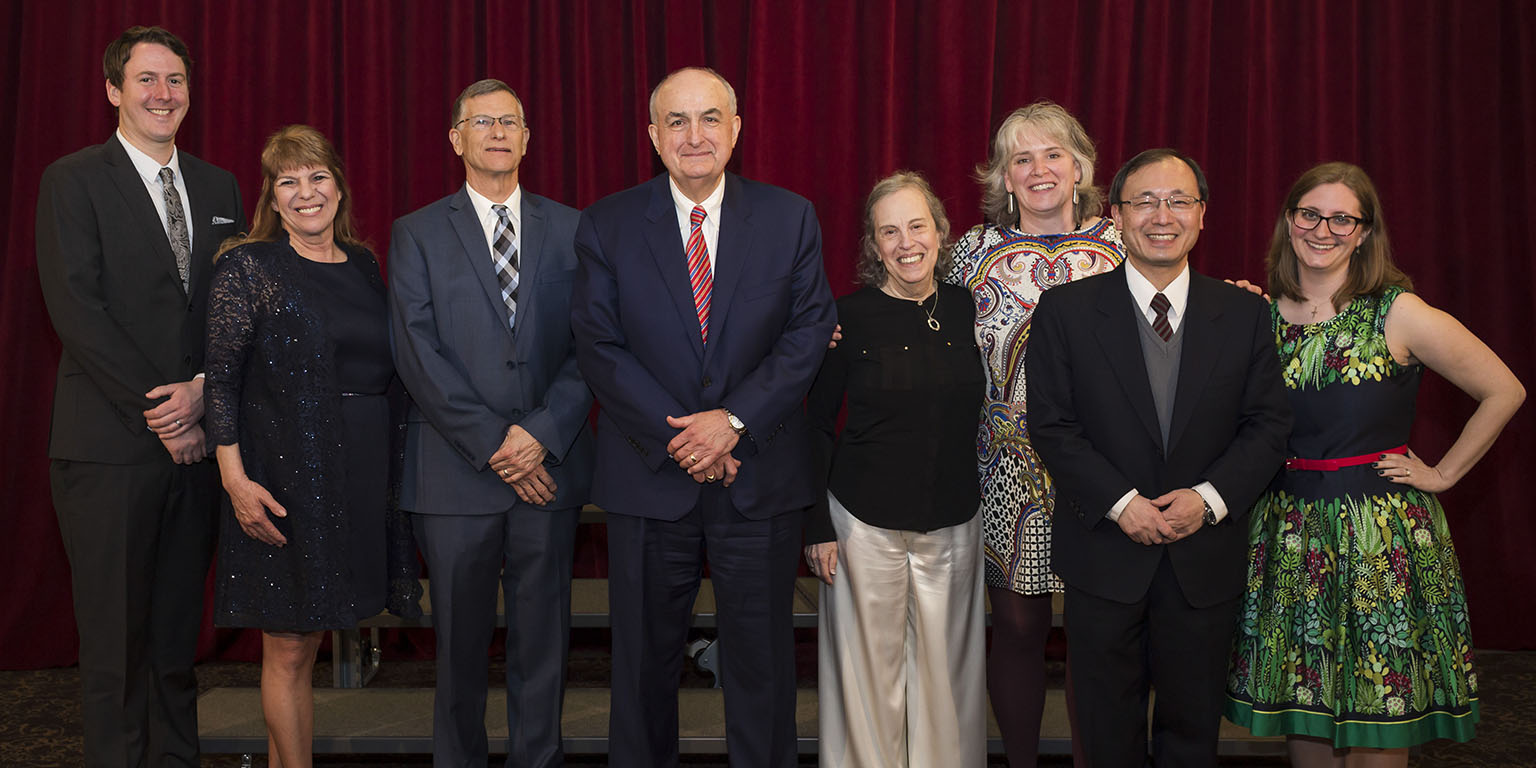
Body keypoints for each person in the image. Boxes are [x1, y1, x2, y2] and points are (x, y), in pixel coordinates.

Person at [571, 66, 837, 768]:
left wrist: (734, 421)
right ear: (654, 136)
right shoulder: (607, 223)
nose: (696, 135)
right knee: (640, 667)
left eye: (710, 118)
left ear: (737, 129)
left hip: (759, 476)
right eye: (678, 121)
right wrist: (684, 437)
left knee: (762, 668)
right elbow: (599, 345)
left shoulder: (789, 216)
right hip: (649, 478)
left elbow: (809, 330)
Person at [1224, 162, 1524, 766]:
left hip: (1378, 541)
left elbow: (1504, 389)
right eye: (1310, 214)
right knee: (1301, 709)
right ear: (1289, 221)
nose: (1323, 229)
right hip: (1288, 535)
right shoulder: (1254, 314)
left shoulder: (1398, 312)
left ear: (1364, 232)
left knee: (1377, 717)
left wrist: (1442, 475)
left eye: (1342, 218)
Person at [1025, 148, 1291, 767]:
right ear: (1116, 215)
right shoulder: (1065, 312)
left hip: (1204, 562)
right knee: (1104, 727)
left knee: (1193, 731)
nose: (1161, 215)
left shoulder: (1247, 314)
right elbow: (1053, 426)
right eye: (1144, 201)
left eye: (1178, 201)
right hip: (1105, 559)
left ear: (1202, 215)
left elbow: (1268, 427)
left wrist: (1210, 499)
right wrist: (1122, 505)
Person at [34, 26, 245, 767]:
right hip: (110, 451)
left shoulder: (220, 187)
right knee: (115, 652)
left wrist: (203, 395)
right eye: (148, 80)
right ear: (113, 91)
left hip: (196, 449)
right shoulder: (73, 179)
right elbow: (76, 309)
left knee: (174, 646)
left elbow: (234, 310)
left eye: (176, 81)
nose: (164, 94)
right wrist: (163, 411)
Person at [388, 78, 593, 768]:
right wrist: (498, 444)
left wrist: (539, 436)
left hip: (549, 471)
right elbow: (417, 352)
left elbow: (592, 347)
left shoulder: (573, 228)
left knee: (543, 646)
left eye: (511, 122)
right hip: (455, 477)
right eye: (483, 121)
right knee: (459, 653)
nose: (499, 132)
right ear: (457, 139)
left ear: (527, 139)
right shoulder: (416, 233)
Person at [206, 124, 419, 768]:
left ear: (339, 186)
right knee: (290, 647)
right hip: (282, 478)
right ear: (271, 197)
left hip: (358, 472)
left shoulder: (363, 263)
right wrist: (237, 484)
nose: (306, 193)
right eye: (288, 182)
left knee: (318, 633)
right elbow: (220, 382)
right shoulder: (248, 264)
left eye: (317, 177)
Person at [944, 101, 1121, 767]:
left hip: (1104, 468)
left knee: (1096, 630)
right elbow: (921, 327)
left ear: (1079, 167)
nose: (1038, 168)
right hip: (1003, 467)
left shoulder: (1123, 242)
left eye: (1052, 154)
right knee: (1017, 626)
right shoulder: (970, 251)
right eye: (1022, 158)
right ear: (1004, 176)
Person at [803, 172, 986, 767]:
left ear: (939, 231)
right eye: (890, 232)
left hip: (955, 523)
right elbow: (814, 424)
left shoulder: (966, 308)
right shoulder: (843, 318)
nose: (906, 242)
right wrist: (816, 526)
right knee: (867, 682)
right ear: (872, 244)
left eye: (917, 226)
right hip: (863, 526)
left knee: (949, 685)